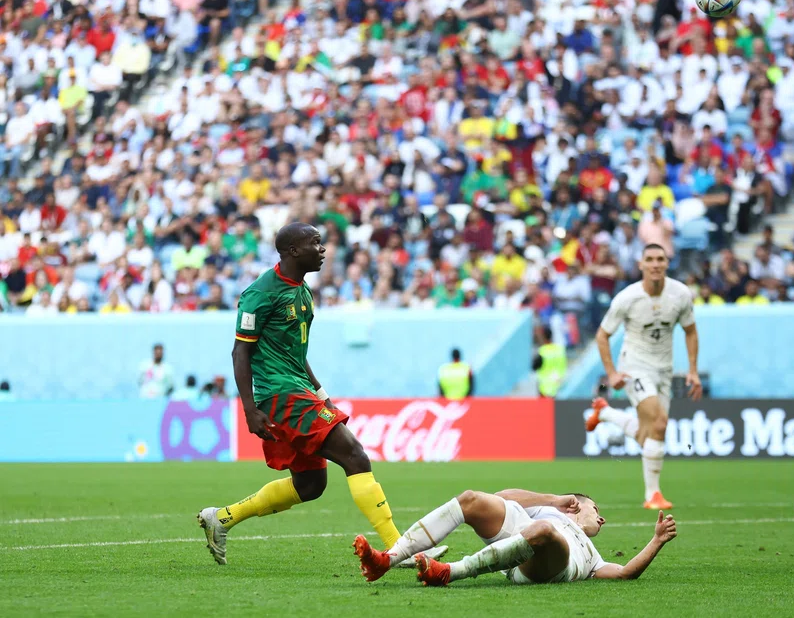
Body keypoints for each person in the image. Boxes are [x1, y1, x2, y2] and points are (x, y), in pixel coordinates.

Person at [197, 222, 445, 565]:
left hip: (299, 390)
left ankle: (220, 518)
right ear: (293, 251)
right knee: (355, 455)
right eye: (315, 243)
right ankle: (398, 548)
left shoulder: (302, 290)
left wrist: (322, 394)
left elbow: (296, 353)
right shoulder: (259, 293)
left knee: (311, 484)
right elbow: (240, 353)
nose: (323, 249)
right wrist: (250, 409)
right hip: (280, 395)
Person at [352, 488, 677, 586]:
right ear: (577, 505)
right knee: (471, 499)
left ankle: (451, 571)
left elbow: (624, 572)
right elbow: (500, 497)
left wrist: (657, 540)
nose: (601, 518)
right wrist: (552, 500)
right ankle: (387, 559)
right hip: (521, 537)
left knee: (546, 534)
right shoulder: (547, 511)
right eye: (596, 509)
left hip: (545, 564)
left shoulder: (592, 556)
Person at [583, 243, 701, 509]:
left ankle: (606, 413)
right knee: (659, 423)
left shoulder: (680, 294)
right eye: (650, 259)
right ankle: (652, 495)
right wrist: (612, 373)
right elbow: (602, 335)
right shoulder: (627, 298)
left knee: (652, 430)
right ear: (641, 265)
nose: (656, 264)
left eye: (660, 258)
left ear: (666, 263)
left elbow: (691, 331)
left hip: (665, 369)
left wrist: (692, 370)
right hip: (634, 365)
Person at [532, 328, 567, 398]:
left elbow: (534, 367)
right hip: (559, 387)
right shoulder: (560, 350)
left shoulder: (542, 352)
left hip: (545, 389)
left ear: (543, 336)